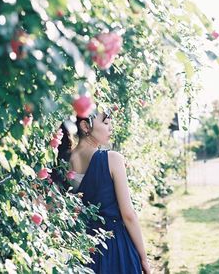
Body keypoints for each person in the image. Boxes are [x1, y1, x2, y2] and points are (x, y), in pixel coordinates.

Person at [56, 106, 151, 274]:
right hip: (115, 249)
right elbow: (128, 214)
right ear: (86, 127)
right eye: (106, 122)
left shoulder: (63, 163)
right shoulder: (112, 159)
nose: (110, 127)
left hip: (82, 252)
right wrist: (143, 258)